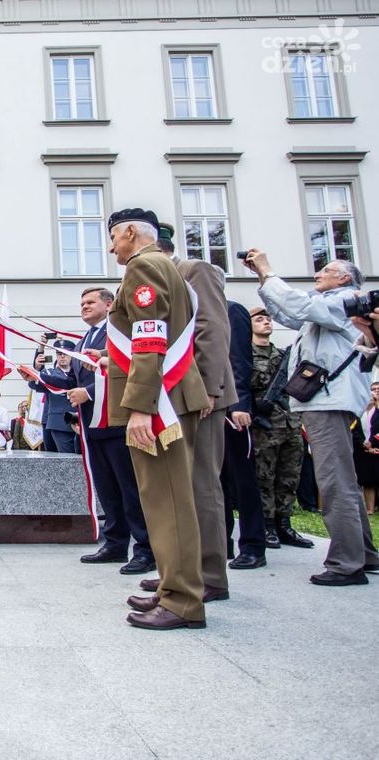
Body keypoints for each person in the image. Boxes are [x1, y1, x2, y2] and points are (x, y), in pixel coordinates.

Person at [244, 249, 377, 585]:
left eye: (325, 270)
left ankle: (346, 564)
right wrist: (263, 279)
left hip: (328, 402)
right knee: (342, 479)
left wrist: (268, 269)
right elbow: (290, 315)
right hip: (327, 401)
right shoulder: (332, 305)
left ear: (344, 278)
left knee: (334, 482)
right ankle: (364, 554)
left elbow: (299, 306)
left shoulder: (345, 300)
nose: (318, 274)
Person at [104, 209, 209, 631]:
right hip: (172, 395)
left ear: (131, 233)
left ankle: (183, 601)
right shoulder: (167, 267)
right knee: (169, 499)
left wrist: (142, 407)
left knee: (168, 503)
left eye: (113, 236)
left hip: (160, 402)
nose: (111, 246)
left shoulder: (144, 266)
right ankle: (171, 587)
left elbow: (150, 338)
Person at [155, 222, 233, 606]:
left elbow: (213, 330)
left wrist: (209, 390)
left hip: (199, 397)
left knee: (201, 484)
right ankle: (182, 573)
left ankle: (211, 575)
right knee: (179, 487)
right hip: (173, 397)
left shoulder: (194, 271)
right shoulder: (167, 279)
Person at [56, 287, 154, 574]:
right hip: (91, 425)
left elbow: (125, 368)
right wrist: (37, 378)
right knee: (108, 488)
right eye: (81, 302)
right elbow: (73, 378)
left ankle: (146, 548)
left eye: (90, 302)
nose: (84, 307)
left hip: (117, 420)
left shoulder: (118, 332)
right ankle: (115, 543)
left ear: (109, 304)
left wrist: (88, 392)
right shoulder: (85, 338)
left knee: (129, 487)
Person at [249, 305, 309, 549]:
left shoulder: (285, 355)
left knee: (289, 476)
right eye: (260, 319)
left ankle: (284, 524)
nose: (266, 323)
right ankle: (267, 526)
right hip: (264, 425)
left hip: (289, 422)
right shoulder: (245, 354)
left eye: (268, 319)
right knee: (264, 476)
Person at [220, 300, 269, 570]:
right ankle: (221, 541)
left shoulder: (231, 310)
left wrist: (240, 404)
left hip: (231, 409)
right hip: (206, 409)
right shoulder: (192, 310)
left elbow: (239, 359)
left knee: (243, 481)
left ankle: (252, 545)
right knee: (214, 481)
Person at [19, 341, 78, 453]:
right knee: (65, 458)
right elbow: (34, 384)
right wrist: (36, 370)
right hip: (59, 423)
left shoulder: (78, 373)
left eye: (65, 353)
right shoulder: (49, 373)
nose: (62, 356)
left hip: (79, 421)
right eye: (59, 354)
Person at [355, 382, 379, 515]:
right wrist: (364, 444)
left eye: (378, 390)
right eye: (373, 390)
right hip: (363, 448)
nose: (375, 393)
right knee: (366, 479)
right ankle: (368, 508)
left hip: (376, 446)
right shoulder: (360, 412)